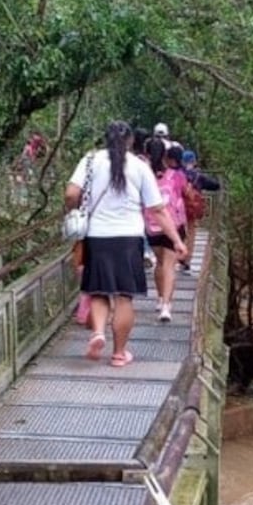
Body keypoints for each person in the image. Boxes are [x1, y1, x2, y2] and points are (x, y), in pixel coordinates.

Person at [65, 121, 186, 366]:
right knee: (124, 297)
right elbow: (158, 209)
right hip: (129, 238)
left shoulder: (90, 160)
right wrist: (176, 240)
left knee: (99, 291)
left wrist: (74, 211)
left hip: (97, 236)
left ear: (105, 138)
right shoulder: (140, 166)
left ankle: (98, 333)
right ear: (130, 141)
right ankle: (119, 354)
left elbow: (71, 193)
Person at [145, 139, 189, 322]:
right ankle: (166, 305)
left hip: (152, 225)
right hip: (174, 225)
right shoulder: (176, 175)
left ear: (147, 154)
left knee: (160, 263)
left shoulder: (145, 176)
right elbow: (186, 191)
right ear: (165, 154)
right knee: (170, 266)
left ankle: (159, 297)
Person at [179, 149, 220, 273]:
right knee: (191, 233)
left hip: (178, 209)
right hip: (191, 208)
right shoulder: (198, 176)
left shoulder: (177, 175)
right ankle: (187, 260)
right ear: (194, 161)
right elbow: (215, 185)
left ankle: (178, 256)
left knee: (178, 233)